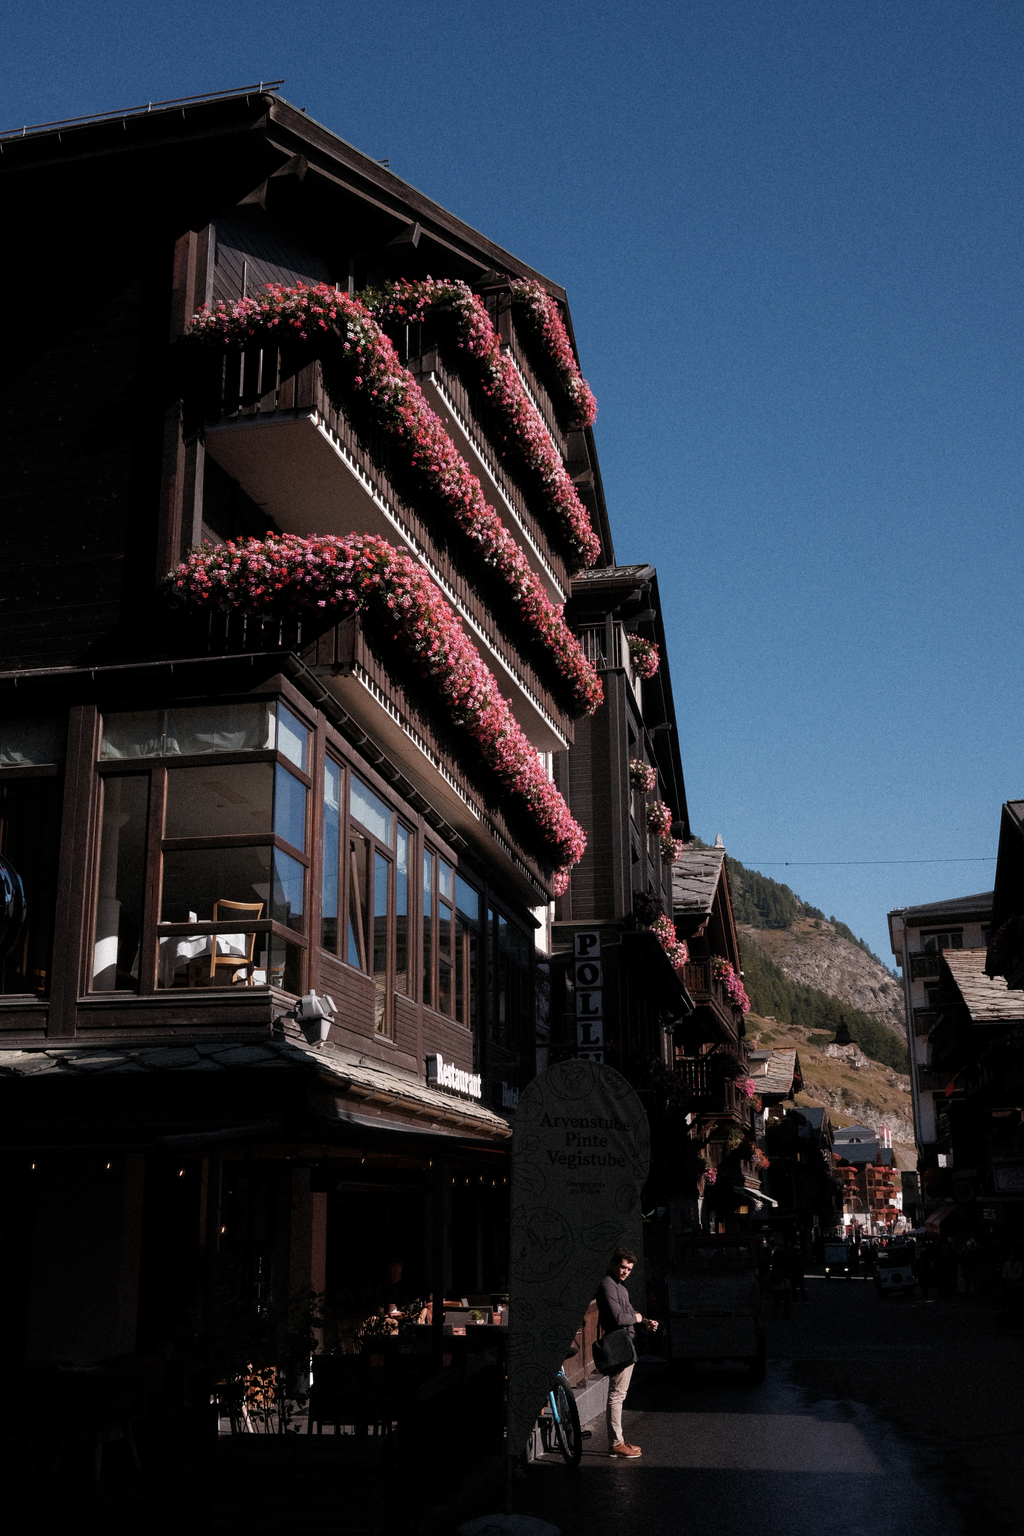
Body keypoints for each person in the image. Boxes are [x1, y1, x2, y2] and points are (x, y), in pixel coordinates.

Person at [595, 1247, 658, 1458]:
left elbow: (629, 1312)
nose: (625, 1272)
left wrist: (645, 1321)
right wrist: (638, 1319)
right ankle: (616, 1442)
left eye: (629, 1269)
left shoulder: (620, 1287)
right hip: (618, 1344)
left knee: (619, 1394)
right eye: (622, 1267)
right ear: (614, 1264)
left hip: (626, 1343)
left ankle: (618, 1440)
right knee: (617, 1395)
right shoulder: (607, 1284)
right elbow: (618, 1318)